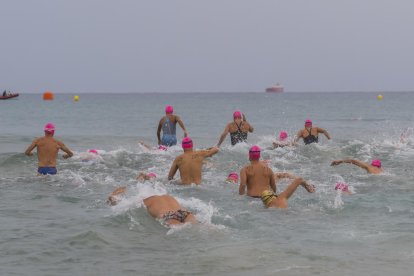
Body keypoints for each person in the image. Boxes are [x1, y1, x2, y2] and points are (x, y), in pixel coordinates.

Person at [107, 188, 197, 226]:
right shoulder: (168, 196)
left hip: (168, 215)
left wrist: (112, 197)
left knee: (180, 231)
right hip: (184, 212)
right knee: (203, 228)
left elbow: (123, 206)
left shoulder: (145, 200)